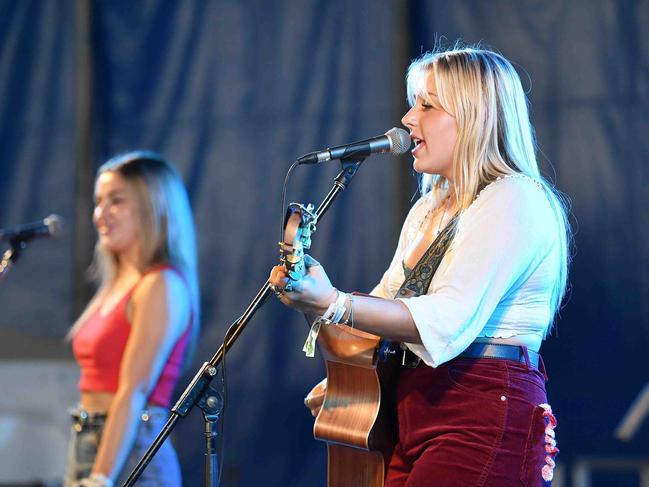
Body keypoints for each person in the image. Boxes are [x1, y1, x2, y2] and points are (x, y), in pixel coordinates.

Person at [269, 45, 569, 486]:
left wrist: (333, 302)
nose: (408, 120)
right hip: (414, 407)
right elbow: (382, 310)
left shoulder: (514, 198)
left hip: (484, 409)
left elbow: (448, 316)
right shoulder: (431, 208)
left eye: (427, 105)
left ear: (474, 117)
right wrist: (315, 302)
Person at [65, 151, 200, 487]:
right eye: (98, 202)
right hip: (87, 438)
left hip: (131, 449)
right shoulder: (116, 282)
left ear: (152, 206)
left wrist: (101, 476)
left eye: (116, 201)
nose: (100, 215)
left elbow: (134, 388)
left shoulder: (161, 284)